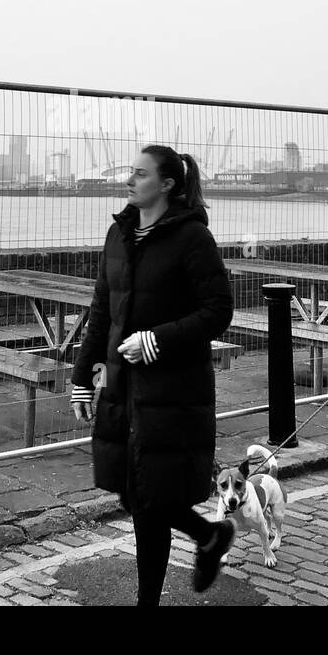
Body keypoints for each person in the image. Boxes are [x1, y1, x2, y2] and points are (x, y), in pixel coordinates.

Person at [70, 145, 235, 605]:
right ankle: (209, 535)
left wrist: (157, 340)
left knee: (147, 501)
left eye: (140, 175)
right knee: (132, 492)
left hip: (172, 390)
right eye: (130, 172)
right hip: (123, 386)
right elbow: (101, 310)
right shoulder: (118, 235)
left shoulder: (191, 239)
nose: (129, 180)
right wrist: (82, 376)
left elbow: (219, 310)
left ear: (166, 185)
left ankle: (152, 598)